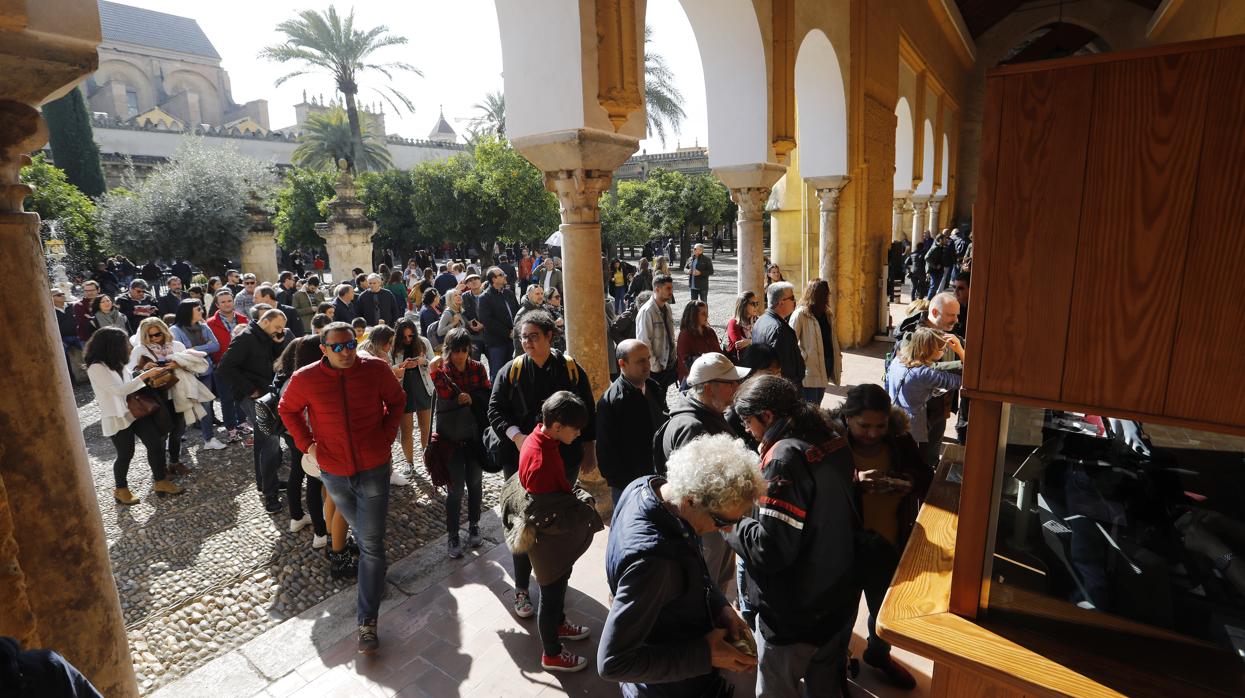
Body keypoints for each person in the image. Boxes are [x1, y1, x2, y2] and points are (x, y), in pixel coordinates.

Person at [727, 374, 861, 698]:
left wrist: (728, 523)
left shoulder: (784, 458)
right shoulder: (831, 434)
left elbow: (770, 550)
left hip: (795, 612)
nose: (746, 429)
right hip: (836, 597)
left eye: (748, 421)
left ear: (768, 416)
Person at [598, 433, 762, 696]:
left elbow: (692, 568)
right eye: (722, 521)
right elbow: (612, 663)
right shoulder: (654, 563)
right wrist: (705, 654)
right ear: (691, 500)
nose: (729, 529)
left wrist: (721, 606)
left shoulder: (648, 488)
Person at [279, 321, 405, 655]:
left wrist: (386, 436)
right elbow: (287, 410)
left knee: (371, 543)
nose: (346, 351)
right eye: (337, 347)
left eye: (350, 344)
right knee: (365, 539)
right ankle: (374, 576)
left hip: (373, 468)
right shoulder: (305, 378)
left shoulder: (376, 369)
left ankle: (367, 621)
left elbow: (397, 401)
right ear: (323, 349)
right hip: (334, 473)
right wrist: (307, 444)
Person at [488, 310, 598, 621]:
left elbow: (587, 411)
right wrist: (517, 436)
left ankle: (554, 577)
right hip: (523, 465)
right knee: (523, 523)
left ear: (550, 336)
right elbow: (495, 410)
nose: (527, 342)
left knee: (557, 523)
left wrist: (590, 450)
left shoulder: (571, 370)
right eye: (523, 337)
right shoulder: (511, 372)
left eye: (534, 336)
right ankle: (522, 586)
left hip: (566, 462)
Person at [829, 384, 929, 690]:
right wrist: (857, 481)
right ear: (847, 418)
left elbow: (925, 476)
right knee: (840, 615)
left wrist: (907, 482)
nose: (872, 434)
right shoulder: (831, 444)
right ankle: (835, 667)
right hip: (842, 547)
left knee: (883, 612)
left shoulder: (900, 442)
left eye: (880, 426)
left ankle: (877, 654)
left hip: (886, 543)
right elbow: (817, 486)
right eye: (864, 426)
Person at [510, 391, 600, 672]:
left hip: (548, 535)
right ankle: (552, 654)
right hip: (547, 542)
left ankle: (560, 623)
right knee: (550, 595)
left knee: (558, 591)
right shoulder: (541, 460)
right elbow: (548, 511)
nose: (579, 433)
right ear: (558, 426)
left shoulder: (537, 437)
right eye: (576, 428)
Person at [653, 353, 751, 597]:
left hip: (714, 525)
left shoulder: (708, 415)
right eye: (730, 383)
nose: (737, 387)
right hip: (705, 528)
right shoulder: (692, 427)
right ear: (709, 388)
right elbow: (696, 494)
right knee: (706, 587)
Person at [85, 327, 185, 504]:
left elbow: (129, 384)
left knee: (155, 444)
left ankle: (160, 481)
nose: (127, 346)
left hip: (136, 410)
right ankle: (121, 489)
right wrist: (145, 375)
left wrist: (143, 374)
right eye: (123, 343)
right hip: (117, 414)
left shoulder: (119, 362)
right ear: (111, 345)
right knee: (126, 453)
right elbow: (118, 391)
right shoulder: (96, 367)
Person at [218, 308, 292, 513]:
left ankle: (266, 483)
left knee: (264, 440)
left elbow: (273, 363)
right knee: (270, 440)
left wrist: (278, 344)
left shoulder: (268, 337)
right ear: (265, 322)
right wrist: (250, 389)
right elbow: (224, 367)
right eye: (277, 327)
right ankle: (270, 494)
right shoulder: (245, 338)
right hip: (251, 396)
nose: (280, 331)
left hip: (266, 393)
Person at [430, 328, 491, 557]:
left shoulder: (478, 368)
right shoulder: (443, 372)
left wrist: (472, 398)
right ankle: (453, 535)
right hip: (451, 440)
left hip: (473, 437)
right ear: (449, 351)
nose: (460, 356)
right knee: (455, 490)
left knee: (475, 483)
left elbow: (487, 396)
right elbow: (444, 395)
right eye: (456, 351)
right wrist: (433, 370)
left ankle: (474, 524)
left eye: (464, 351)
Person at [271, 335, 330, 546]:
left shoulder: (284, 376)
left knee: (298, 472)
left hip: (290, 434)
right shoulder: (303, 380)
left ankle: (296, 517)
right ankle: (321, 533)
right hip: (307, 436)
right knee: (314, 481)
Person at [595, 339, 669, 506]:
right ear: (622, 364)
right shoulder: (611, 402)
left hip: (659, 477)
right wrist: (625, 485)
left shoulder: (654, 388)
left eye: (648, 359)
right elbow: (606, 454)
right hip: (629, 487)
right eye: (640, 361)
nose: (647, 365)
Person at [129, 317, 204, 478]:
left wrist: (179, 364)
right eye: (150, 336)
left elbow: (193, 367)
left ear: (164, 331)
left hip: (178, 393)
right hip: (155, 396)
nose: (155, 339)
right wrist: (144, 368)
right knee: (160, 435)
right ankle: (160, 469)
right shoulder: (139, 350)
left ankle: (175, 462)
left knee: (178, 432)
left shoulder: (177, 346)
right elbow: (130, 375)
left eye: (157, 334)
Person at [886, 326, 964, 467]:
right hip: (913, 428)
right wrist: (960, 351)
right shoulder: (925, 374)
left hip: (893, 418)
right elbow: (962, 381)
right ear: (928, 350)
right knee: (917, 464)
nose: (945, 351)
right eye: (941, 349)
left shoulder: (897, 361)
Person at [170, 299, 227, 450]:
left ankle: (209, 439)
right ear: (188, 312)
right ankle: (174, 440)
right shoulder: (175, 330)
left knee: (206, 405)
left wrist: (194, 348)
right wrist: (204, 348)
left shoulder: (203, 326)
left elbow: (216, 346)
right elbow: (181, 351)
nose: (201, 311)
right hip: (186, 373)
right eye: (198, 309)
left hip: (205, 371)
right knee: (184, 406)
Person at [788, 278, 842, 406]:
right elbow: (791, 342)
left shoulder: (827, 313)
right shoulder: (800, 314)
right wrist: (805, 357)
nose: (827, 296)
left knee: (818, 401)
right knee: (811, 405)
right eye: (825, 293)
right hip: (809, 367)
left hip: (826, 363)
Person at [392, 318, 436, 474]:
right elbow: (388, 368)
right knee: (406, 429)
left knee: (426, 427)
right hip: (404, 389)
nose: (408, 340)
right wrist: (401, 366)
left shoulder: (423, 342)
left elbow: (433, 362)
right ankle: (409, 463)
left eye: (411, 336)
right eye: (404, 337)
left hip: (423, 387)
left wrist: (423, 362)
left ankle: (427, 460)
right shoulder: (394, 346)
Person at [205, 289, 248, 440]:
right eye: (223, 302)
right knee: (226, 398)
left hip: (242, 366)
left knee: (241, 395)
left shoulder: (244, 320)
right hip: (221, 367)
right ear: (217, 304)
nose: (227, 304)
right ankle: (231, 428)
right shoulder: (209, 323)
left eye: (229, 301)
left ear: (233, 301)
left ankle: (242, 422)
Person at [751, 282, 803, 387]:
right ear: (781, 302)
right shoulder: (779, 329)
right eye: (792, 298)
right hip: (782, 390)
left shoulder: (761, 320)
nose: (795, 301)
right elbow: (782, 368)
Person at [636, 274, 677, 396]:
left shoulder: (667, 308)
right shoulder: (647, 312)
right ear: (657, 290)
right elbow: (644, 342)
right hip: (655, 369)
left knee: (662, 397)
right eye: (668, 288)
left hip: (667, 365)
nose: (671, 292)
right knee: (654, 400)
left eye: (671, 288)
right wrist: (655, 365)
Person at [478, 266, 520, 381]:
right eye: (501, 274)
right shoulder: (484, 297)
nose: (505, 275)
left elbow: (517, 311)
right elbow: (487, 321)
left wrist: (517, 329)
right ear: (493, 279)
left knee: (513, 371)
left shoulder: (509, 293)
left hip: (513, 339)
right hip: (496, 343)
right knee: (497, 374)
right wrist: (507, 332)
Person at [674, 299, 720, 389]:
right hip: (693, 380)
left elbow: (718, 352)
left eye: (706, 312)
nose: (707, 316)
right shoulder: (685, 335)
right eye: (703, 314)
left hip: (712, 376)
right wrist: (707, 359)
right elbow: (686, 362)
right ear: (693, 316)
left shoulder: (709, 332)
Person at [725, 291, 760, 366]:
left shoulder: (758, 320)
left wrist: (749, 342)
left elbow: (766, 339)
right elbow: (739, 346)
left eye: (757, 303)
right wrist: (756, 341)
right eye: (753, 304)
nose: (756, 306)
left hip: (756, 359)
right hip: (739, 363)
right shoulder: (734, 323)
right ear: (743, 305)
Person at [511, 285, 546, 354]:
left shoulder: (544, 310)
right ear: (529, 296)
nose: (540, 296)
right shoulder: (522, 314)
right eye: (537, 294)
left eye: (542, 293)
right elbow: (518, 340)